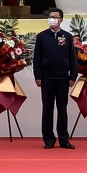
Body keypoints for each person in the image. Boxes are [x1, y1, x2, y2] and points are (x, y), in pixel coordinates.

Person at [33, 8, 77, 149]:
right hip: (46, 78)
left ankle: (64, 139)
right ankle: (49, 140)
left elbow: (72, 59)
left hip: (63, 78)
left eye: (55, 17)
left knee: (62, 109)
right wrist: (38, 76)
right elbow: (37, 58)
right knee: (47, 109)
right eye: (50, 17)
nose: (52, 19)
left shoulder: (68, 37)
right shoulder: (42, 37)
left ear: (61, 20)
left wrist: (73, 76)